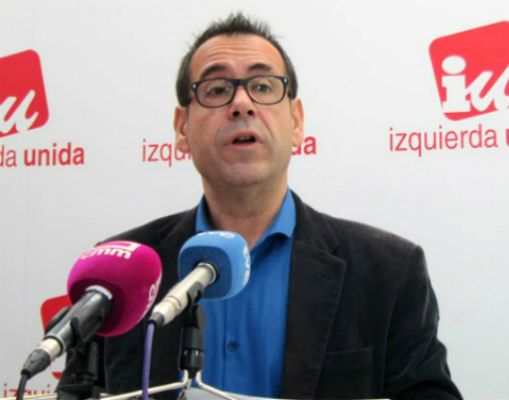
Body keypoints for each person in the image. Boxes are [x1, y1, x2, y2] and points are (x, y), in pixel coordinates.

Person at [59, 12, 461, 400]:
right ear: (182, 128)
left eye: (263, 86)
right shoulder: (119, 276)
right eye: (217, 90)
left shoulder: (387, 271)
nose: (242, 104)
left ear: (296, 122)